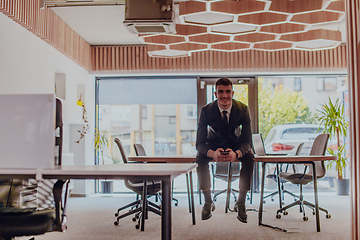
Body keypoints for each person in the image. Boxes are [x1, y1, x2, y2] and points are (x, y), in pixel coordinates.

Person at [196, 77, 254, 223]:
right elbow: (199, 143)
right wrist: (211, 153)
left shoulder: (243, 109)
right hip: (213, 144)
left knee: (249, 157)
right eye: (220, 92)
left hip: (235, 144)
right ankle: (208, 201)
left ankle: (241, 202)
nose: (224, 95)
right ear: (215, 94)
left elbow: (248, 141)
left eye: (228, 91)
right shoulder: (206, 111)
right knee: (200, 157)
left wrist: (238, 153)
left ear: (232, 93)